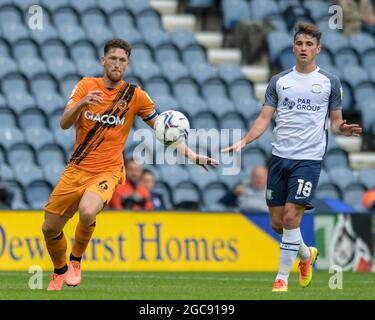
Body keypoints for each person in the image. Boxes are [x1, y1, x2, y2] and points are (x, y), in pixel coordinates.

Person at [42, 38, 218, 291]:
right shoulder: (85, 86)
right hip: (76, 169)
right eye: (112, 58)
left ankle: (75, 261)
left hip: (108, 170)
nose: (117, 64)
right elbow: (64, 123)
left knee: (88, 211)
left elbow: (164, 131)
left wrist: (192, 156)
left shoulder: (135, 95)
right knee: (49, 228)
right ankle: (59, 271)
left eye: (122, 60)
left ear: (127, 64)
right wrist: (81, 103)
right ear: (103, 61)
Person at [222, 23, 362, 292]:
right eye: (299, 44)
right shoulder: (279, 81)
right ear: (292, 47)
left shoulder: (329, 82)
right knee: (278, 224)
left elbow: (335, 122)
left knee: (290, 218)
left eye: (309, 44)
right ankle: (306, 256)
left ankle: (281, 279)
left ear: (318, 49)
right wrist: (244, 140)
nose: (304, 48)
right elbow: (265, 117)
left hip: (308, 160)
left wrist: (342, 128)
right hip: (279, 157)